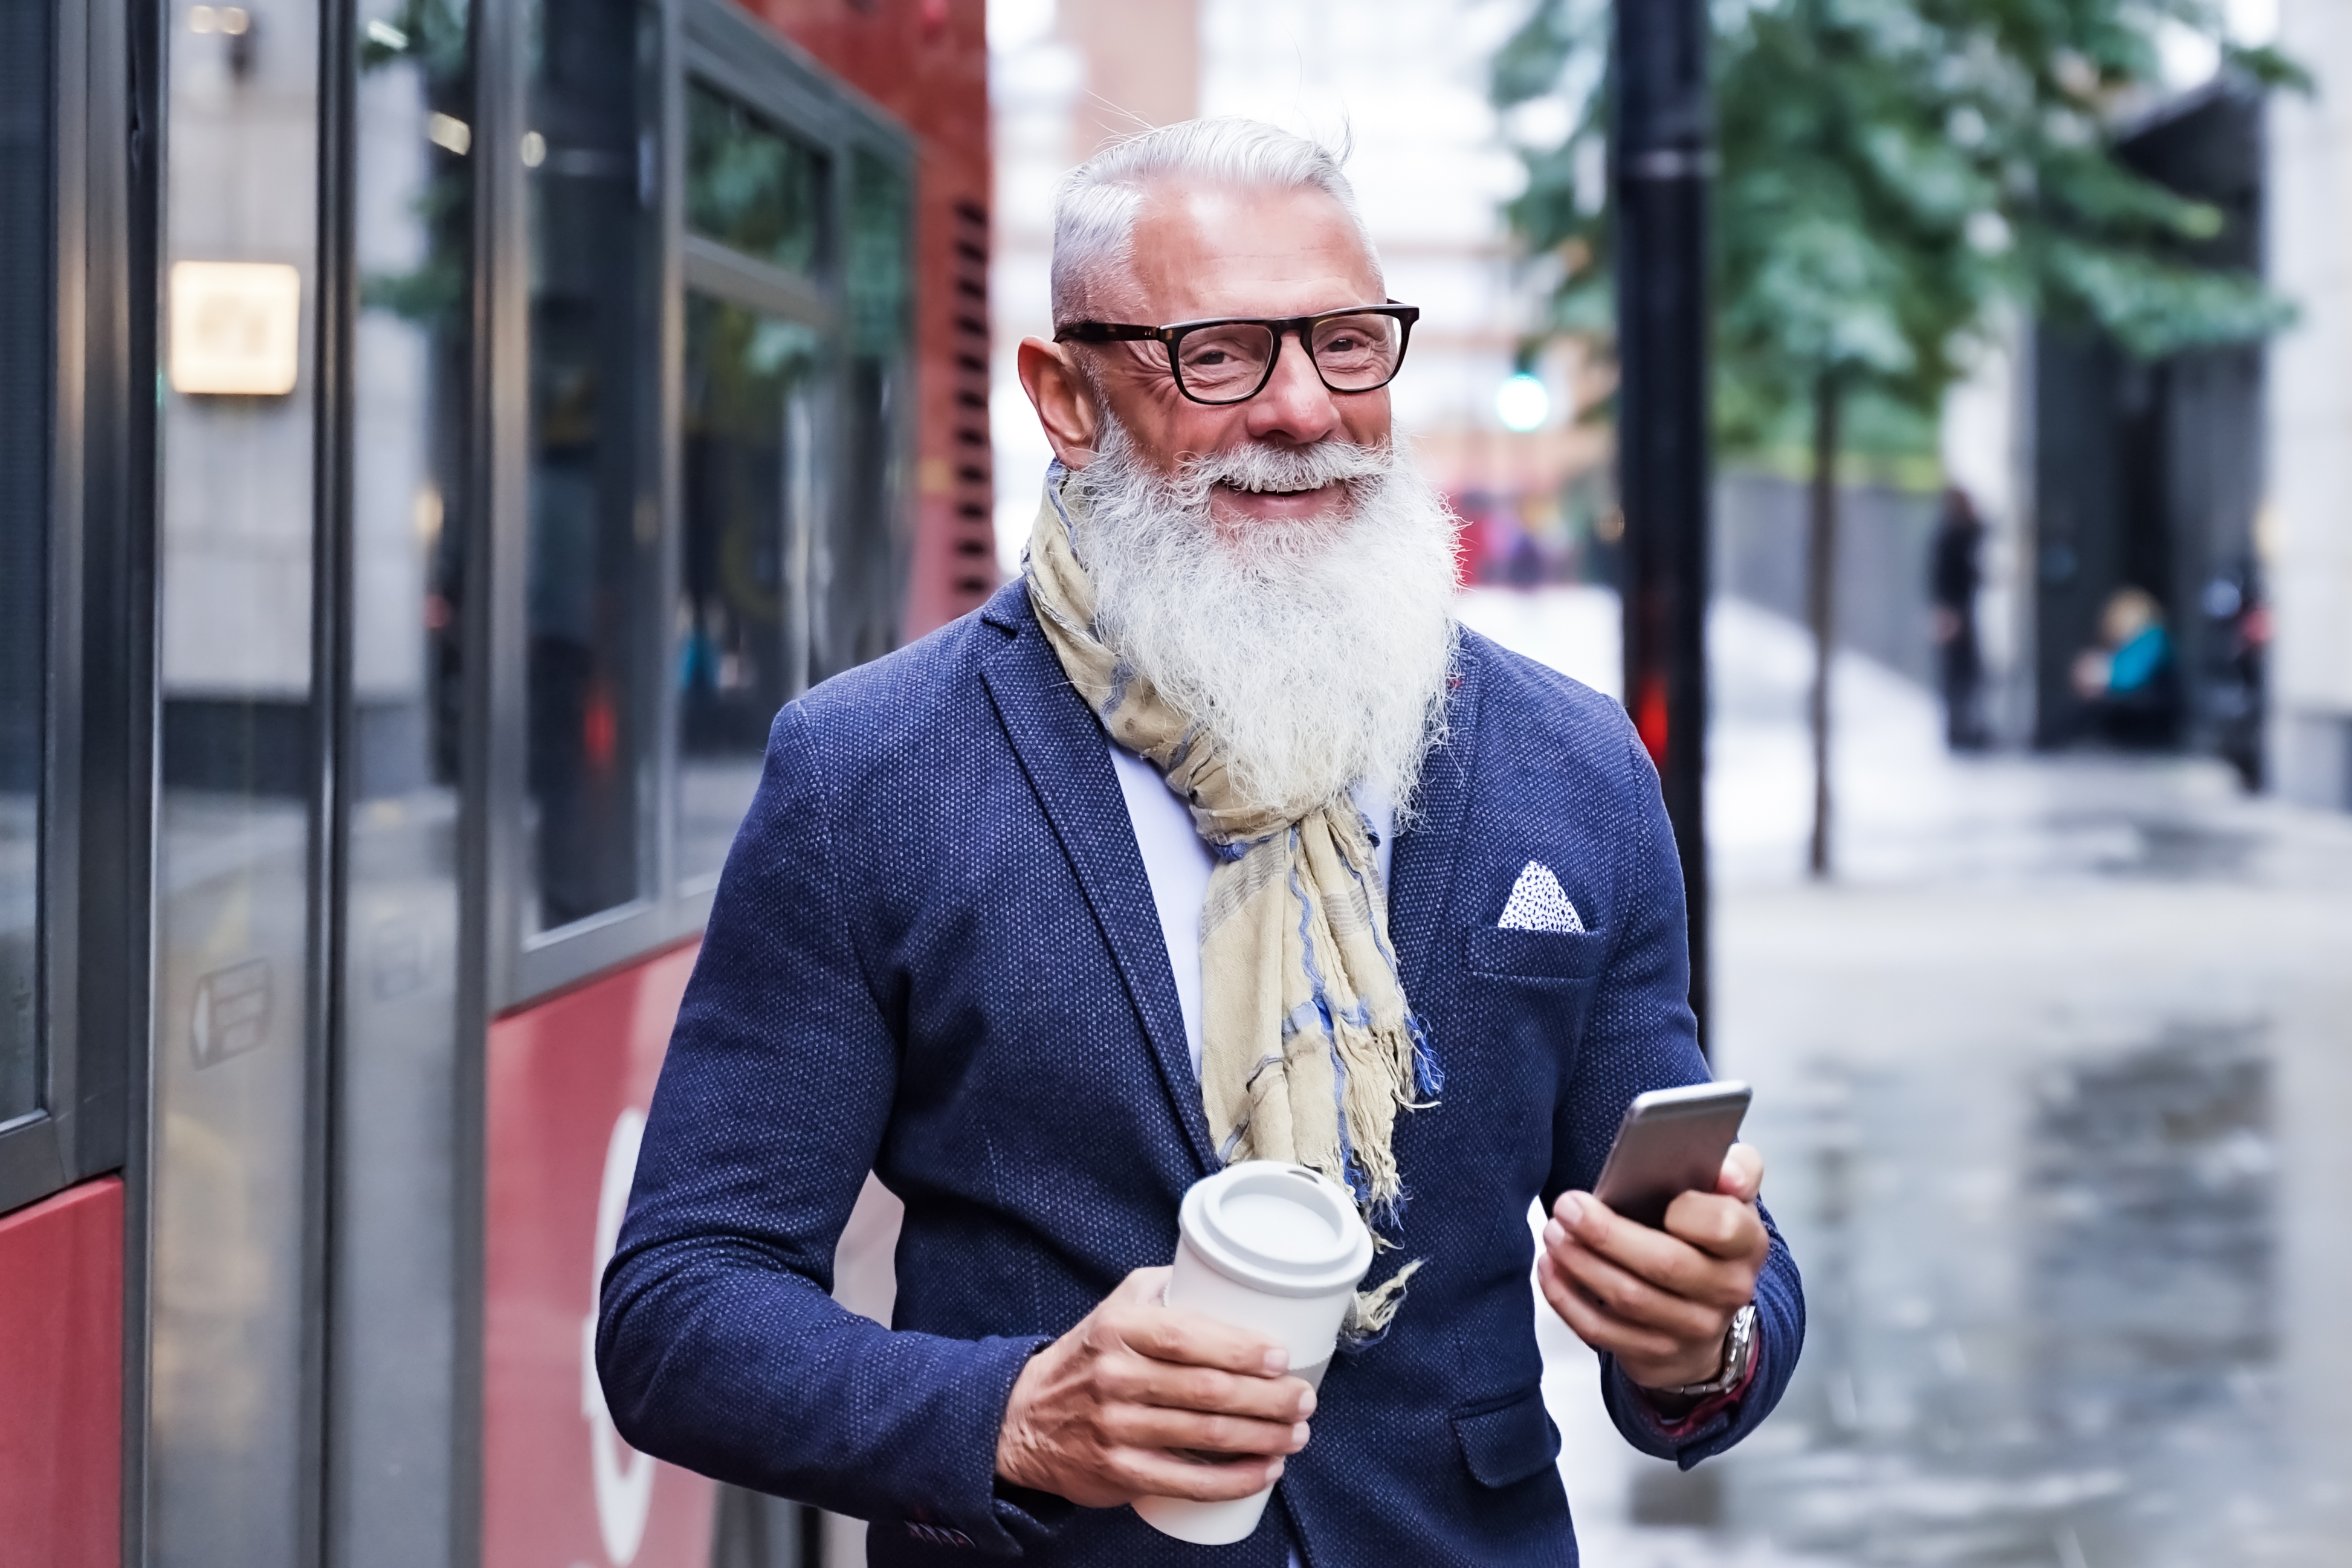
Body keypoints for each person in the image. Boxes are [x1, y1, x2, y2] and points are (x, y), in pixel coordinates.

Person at [597, 118, 1803, 1565]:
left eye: (1350, 343)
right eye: (1221, 353)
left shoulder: (1575, 763)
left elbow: (1708, 1251)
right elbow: (679, 1306)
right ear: (1064, 394)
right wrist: (1010, 1413)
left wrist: (1706, 1327)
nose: (1304, 409)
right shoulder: (873, 771)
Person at [1928, 485, 1987, 750]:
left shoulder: (1957, 533)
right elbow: (1940, 580)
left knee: (1966, 673)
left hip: (1961, 610)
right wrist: (1944, 613)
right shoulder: (1950, 536)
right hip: (1954, 612)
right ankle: (1958, 731)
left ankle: (1965, 729)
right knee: (1958, 673)